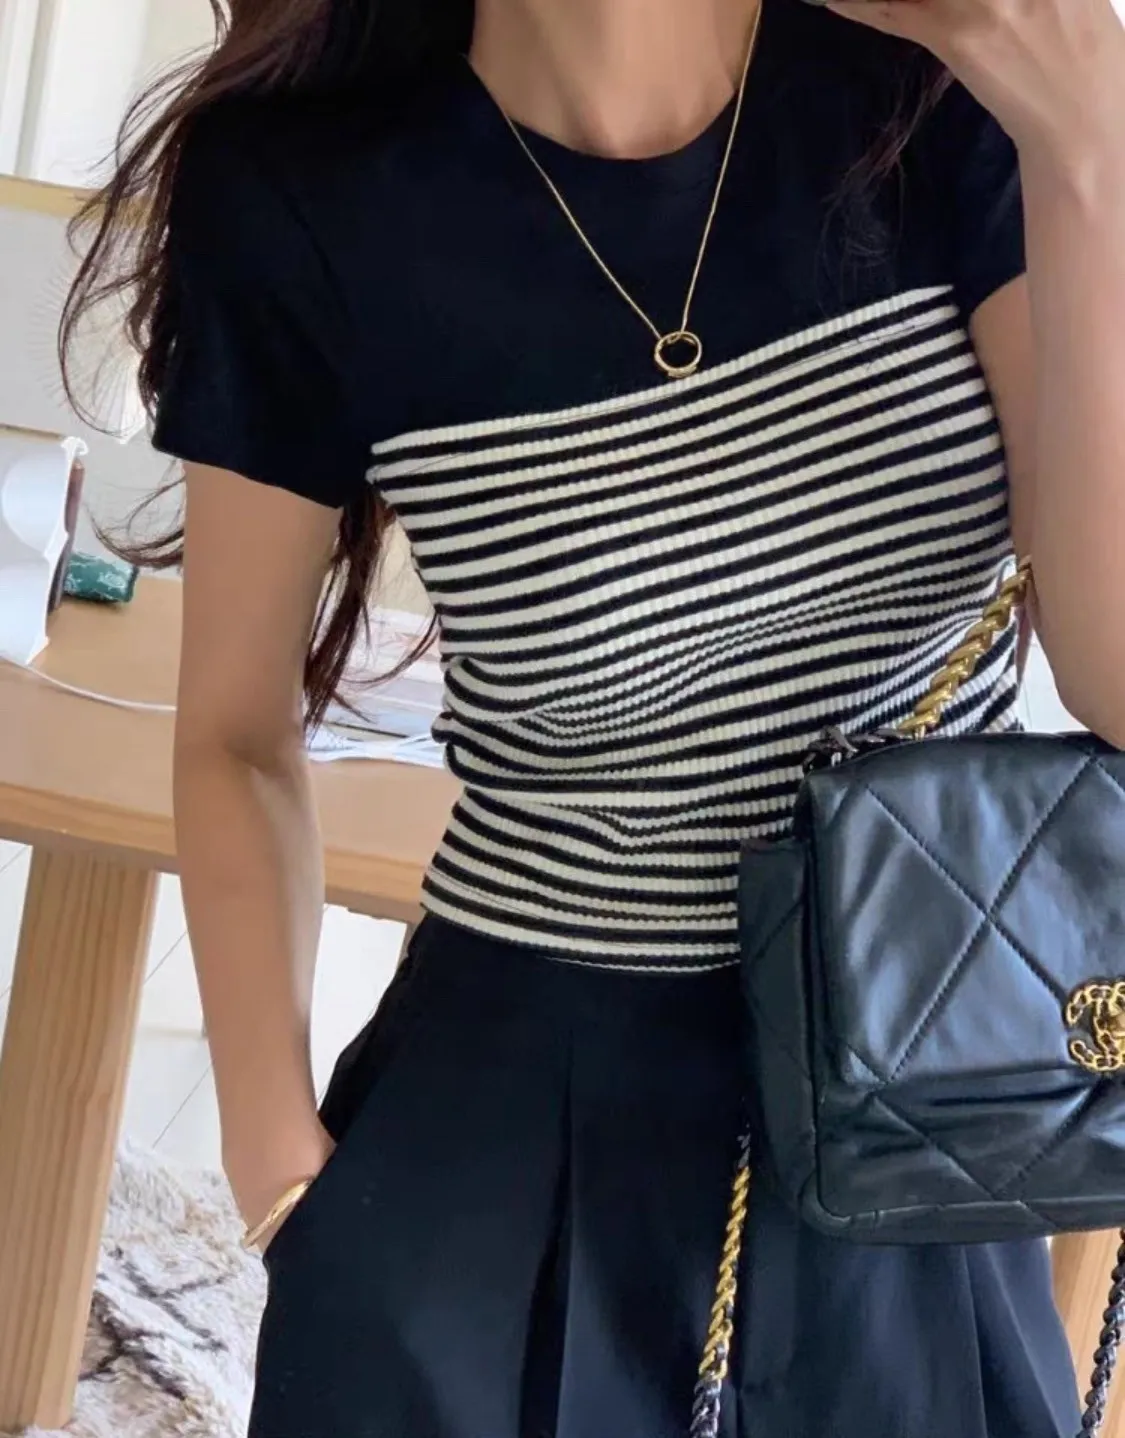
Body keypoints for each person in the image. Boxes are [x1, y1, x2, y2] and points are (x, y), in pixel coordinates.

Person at [63, 0, 1125, 1432]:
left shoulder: (938, 89)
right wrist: (277, 1169)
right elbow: (238, 730)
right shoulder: (308, 189)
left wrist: (1089, 151)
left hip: (915, 1093)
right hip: (520, 1123)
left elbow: (1114, 672)